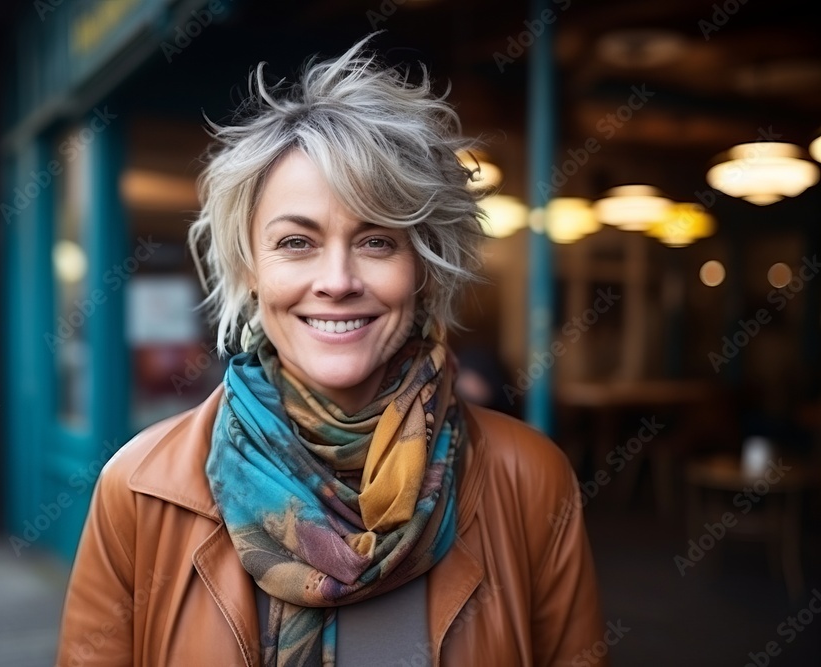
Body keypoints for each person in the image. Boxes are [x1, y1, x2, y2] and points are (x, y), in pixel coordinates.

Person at [57, 37, 606, 667]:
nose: (338, 280)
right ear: (250, 267)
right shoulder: (140, 489)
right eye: (296, 242)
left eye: (376, 241)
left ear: (423, 268)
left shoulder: (532, 480)